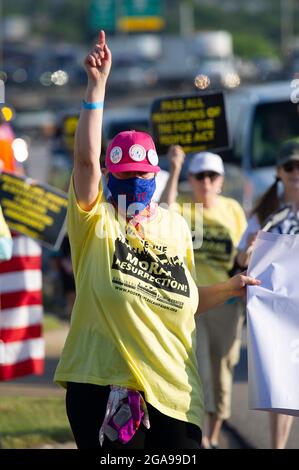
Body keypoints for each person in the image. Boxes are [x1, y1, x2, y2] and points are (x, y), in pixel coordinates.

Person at [53, 30, 259, 450]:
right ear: (110, 179)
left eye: (140, 176)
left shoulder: (176, 226)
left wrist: (232, 287)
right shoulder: (95, 222)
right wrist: (97, 87)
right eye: (122, 177)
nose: (133, 184)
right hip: (103, 388)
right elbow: (85, 161)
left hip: (174, 394)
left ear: (154, 176)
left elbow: (182, 299)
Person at [160, 146, 247, 449]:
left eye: (212, 176)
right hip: (193, 304)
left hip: (228, 301)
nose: (206, 182)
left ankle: (213, 433)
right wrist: (173, 169)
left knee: (223, 369)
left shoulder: (233, 210)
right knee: (198, 371)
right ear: (191, 179)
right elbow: (162, 213)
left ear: (221, 180)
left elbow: (242, 252)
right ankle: (201, 435)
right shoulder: (183, 207)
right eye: (200, 176)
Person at [237, 138, 299, 449]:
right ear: (279, 171)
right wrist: (247, 251)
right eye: (290, 166)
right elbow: (239, 260)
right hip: (275, 313)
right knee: (281, 383)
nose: (296, 172)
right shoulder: (264, 213)